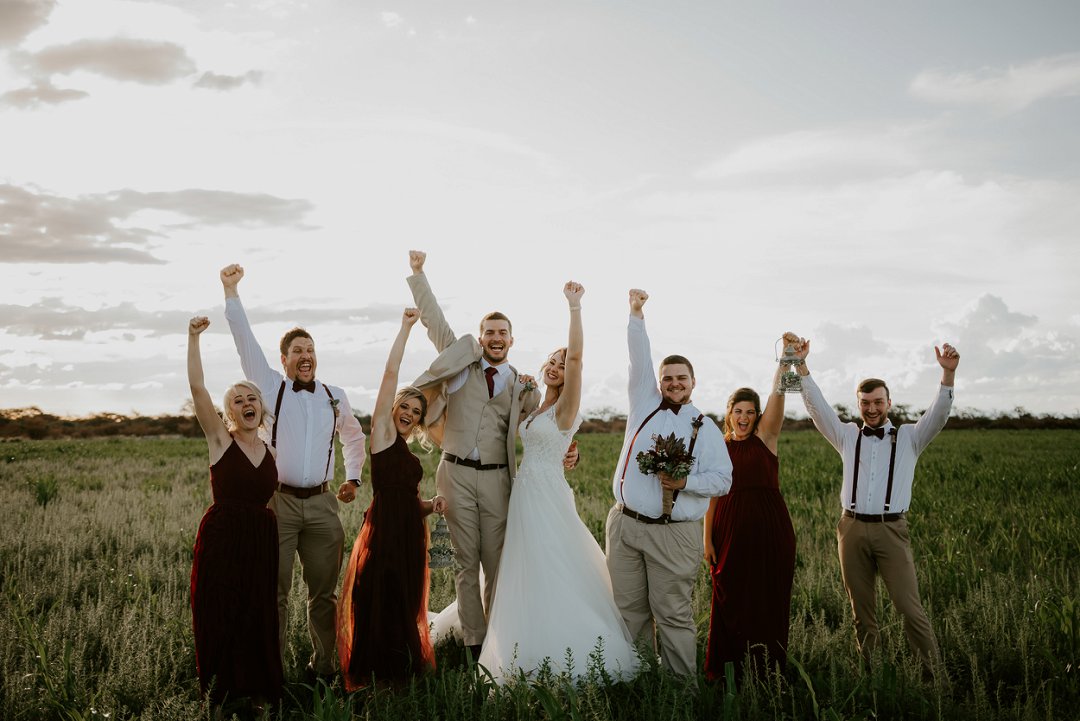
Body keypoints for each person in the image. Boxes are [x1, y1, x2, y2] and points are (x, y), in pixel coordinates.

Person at [479, 282, 639, 682]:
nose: (555, 367)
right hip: (524, 495)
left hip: (547, 496)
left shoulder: (567, 407)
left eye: (562, 364)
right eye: (552, 360)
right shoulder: (536, 404)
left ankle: (561, 650)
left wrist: (574, 307)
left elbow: (578, 358)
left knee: (554, 569)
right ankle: (521, 648)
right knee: (524, 571)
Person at [220, 264, 367, 681]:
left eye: (311, 349)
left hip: (322, 505)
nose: (306, 355)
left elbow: (354, 438)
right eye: (298, 350)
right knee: (275, 594)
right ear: (284, 359)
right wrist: (231, 292)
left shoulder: (335, 396)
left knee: (324, 595)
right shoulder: (269, 386)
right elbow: (243, 341)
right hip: (278, 504)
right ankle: (273, 670)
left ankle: (324, 668)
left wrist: (353, 477)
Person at [406, 250, 545, 660]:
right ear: (480, 337)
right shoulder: (462, 362)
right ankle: (473, 645)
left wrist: (567, 451)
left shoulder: (523, 385)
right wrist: (418, 273)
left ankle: (500, 640)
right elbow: (434, 322)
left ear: (511, 340)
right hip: (456, 474)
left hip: (500, 476)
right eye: (490, 332)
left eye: (503, 332)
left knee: (496, 561)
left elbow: (542, 426)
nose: (496, 338)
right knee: (466, 563)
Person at [794, 337, 960, 673]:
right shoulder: (847, 436)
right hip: (851, 528)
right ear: (859, 405)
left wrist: (947, 376)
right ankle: (872, 675)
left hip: (891, 530)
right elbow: (817, 408)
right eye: (865, 403)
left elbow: (939, 415)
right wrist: (801, 367)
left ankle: (933, 677)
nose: (871, 409)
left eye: (878, 402)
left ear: (889, 403)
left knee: (909, 607)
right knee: (862, 611)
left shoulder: (911, 437)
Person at [605, 289, 733, 676]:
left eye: (681, 378)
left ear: (693, 382)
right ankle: (638, 679)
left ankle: (682, 693)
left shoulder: (705, 427)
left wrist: (685, 481)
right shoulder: (643, 405)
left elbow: (723, 480)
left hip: (673, 533)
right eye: (668, 378)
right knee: (627, 611)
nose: (674, 383)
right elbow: (638, 359)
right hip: (624, 525)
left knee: (673, 615)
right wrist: (636, 314)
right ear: (659, 382)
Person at [336, 308, 448, 690]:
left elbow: (410, 503)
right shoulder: (382, 437)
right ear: (394, 407)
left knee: (403, 599)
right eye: (405, 406)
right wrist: (405, 328)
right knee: (375, 595)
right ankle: (373, 674)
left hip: (410, 536)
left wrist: (430, 507)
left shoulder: (410, 453)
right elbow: (389, 375)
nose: (409, 414)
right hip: (383, 531)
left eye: (416, 412)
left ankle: (400, 673)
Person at [187, 316, 283, 713]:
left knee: (258, 613)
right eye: (238, 401)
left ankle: (259, 690)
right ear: (229, 413)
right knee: (222, 612)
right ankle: (222, 694)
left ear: (261, 408)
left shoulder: (271, 452)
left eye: (252, 398)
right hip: (224, 536)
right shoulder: (219, 441)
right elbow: (197, 388)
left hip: (261, 537)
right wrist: (193, 338)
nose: (247, 404)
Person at [703, 336, 798, 682]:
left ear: (758, 416)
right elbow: (712, 497)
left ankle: (767, 673)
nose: (743, 417)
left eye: (750, 412)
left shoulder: (765, 438)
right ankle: (729, 673)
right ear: (729, 414)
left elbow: (779, 395)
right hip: (727, 531)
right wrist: (707, 540)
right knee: (729, 601)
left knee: (768, 601)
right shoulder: (719, 446)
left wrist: (785, 361)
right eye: (737, 411)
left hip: (771, 531)